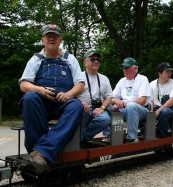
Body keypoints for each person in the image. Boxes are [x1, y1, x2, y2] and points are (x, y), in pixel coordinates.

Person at [18, 24, 84, 174]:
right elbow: (24, 84)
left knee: (76, 106)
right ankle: (38, 155)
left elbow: (80, 84)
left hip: (63, 100)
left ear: (60, 40)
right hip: (41, 99)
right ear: (42, 40)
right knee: (29, 97)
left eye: (55, 36)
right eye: (48, 36)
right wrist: (39, 89)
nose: (51, 38)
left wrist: (68, 94)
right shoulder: (36, 59)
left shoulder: (70, 58)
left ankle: (41, 152)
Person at [111, 57, 150, 143]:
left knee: (131, 106)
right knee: (107, 106)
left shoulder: (143, 79)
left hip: (142, 110)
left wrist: (124, 103)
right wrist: (115, 101)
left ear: (136, 68)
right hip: (125, 109)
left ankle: (132, 137)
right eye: (124, 67)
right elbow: (111, 97)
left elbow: (142, 100)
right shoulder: (122, 81)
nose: (125, 70)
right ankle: (109, 135)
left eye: (127, 67)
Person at [78, 50, 113, 143]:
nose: (96, 61)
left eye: (98, 60)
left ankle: (82, 138)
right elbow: (70, 94)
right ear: (85, 62)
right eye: (93, 59)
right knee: (79, 113)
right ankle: (78, 140)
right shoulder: (78, 77)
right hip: (82, 107)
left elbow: (109, 96)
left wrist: (102, 108)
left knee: (105, 119)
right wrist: (80, 102)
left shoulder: (104, 78)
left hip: (97, 108)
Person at [149, 62, 173, 137]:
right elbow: (151, 101)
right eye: (167, 71)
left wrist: (158, 111)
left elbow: (172, 100)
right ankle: (143, 131)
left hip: (170, 109)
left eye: (170, 71)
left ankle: (161, 135)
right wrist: (151, 113)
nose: (170, 73)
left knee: (164, 112)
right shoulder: (152, 84)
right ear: (160, 73)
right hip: (156, 107)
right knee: (147, 112)